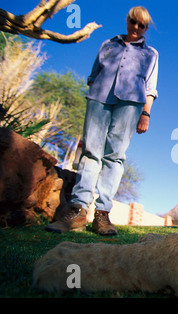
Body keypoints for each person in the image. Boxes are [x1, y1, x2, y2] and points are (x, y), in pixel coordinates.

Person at [46, 6, 158, 235]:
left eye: (142, 25)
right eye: (133, 22)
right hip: (99, 99)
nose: (136, 28)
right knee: (90, 152)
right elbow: (93, 75)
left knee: (115, 155)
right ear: (127, 21)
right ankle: (78, 210)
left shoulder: (151, 54)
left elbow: (150, 87)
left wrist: (145, 114)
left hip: (130, 104)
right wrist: (95, 95)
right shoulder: (108, 45)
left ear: (145, 28)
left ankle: (102, 214)